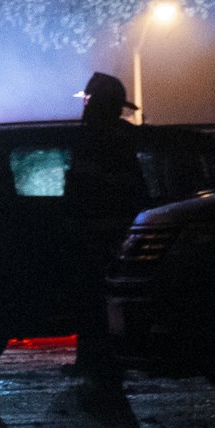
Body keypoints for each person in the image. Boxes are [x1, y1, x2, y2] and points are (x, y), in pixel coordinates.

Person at [63, 72, 142, 384]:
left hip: (102, 237)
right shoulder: (122, 138)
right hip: (111, 235)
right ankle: (94, 361)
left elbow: (86, 189)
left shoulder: (100, 140)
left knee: (95, 302)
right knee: (96, 302)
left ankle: (100, 364)